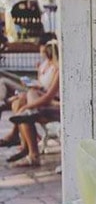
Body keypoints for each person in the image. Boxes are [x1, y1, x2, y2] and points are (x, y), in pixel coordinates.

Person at [4, 39, 61, 167]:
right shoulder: (47, 67)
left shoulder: (58, 71)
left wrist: (28, 105)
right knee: (19, 102)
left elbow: (48, 98)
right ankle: (25, 147)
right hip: (46, 104)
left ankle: (32, 154)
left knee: (25, 106)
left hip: (55, 106)